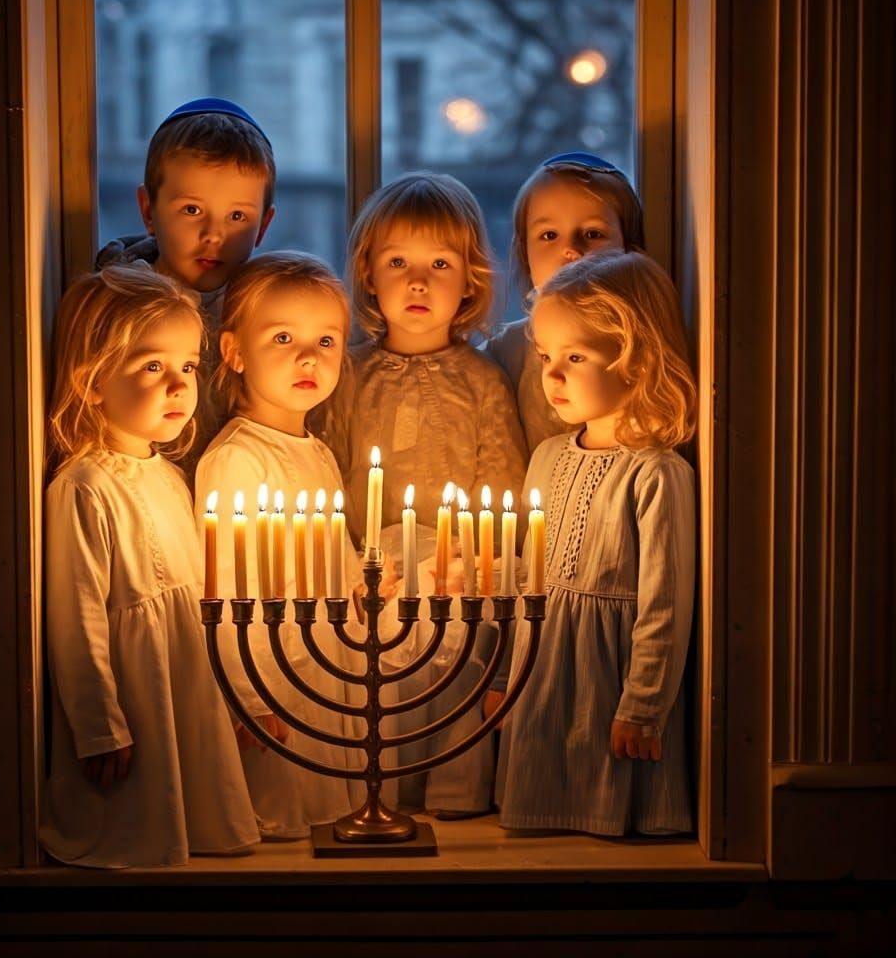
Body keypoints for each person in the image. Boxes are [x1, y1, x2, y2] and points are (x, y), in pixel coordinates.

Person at [320, 172, 529, 819]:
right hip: (373, 574)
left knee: (456, 679)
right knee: (383, 687)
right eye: (398, 262)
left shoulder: (484, 379)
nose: (417, 281)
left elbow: (502, 482)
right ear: (368, 275)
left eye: (439, 262)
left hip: (457, 572)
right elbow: (331, 476)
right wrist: (354, 563)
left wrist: (474, 561)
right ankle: (389, 800)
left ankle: (458, 801)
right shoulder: (349, 374)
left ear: (469, 278)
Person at [41, 265, 259, 868]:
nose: (179, 386)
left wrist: (232, 698)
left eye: (188, 366)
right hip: (134, 694)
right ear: (91, 382)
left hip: (183, 672)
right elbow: (76, 620)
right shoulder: (83, 487)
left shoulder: (170, 477)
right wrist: (98, 726)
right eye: (152, 366)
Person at [498, 249, 697, 836]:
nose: (551, 376)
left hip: (612, 679)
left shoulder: (656, 474)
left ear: (637, 361)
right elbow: (524, 581)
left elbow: (665, 605)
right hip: (542, 668)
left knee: (605, 816)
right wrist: (498, 681)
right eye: (544, 357)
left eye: (575, 357)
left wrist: (644, 706)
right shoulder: (547, 457)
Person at [193, 250, 373, 840]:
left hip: (327, 658)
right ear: (234, 351)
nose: (308, 356)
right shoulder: (236, 460)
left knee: (329, 809)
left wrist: (365, 582)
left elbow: (333, 553)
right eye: (283, 337)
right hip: (274, 672)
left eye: (326, 341)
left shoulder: (316, 449)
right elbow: (226, 594)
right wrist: (248, 694)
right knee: (285, 817)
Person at [97, 97, 278, 471]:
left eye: (237, 216)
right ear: (149, 210)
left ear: (263, 226)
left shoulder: (267, 315)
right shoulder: (116, 309)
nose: (213, 234)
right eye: (192, 210)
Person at [484, 151, 645, 453]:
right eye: (549, 235)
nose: (571, 249)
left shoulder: (641, 344)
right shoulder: (507, 350)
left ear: (629, 249)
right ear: (525, 255)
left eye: (593, 233)